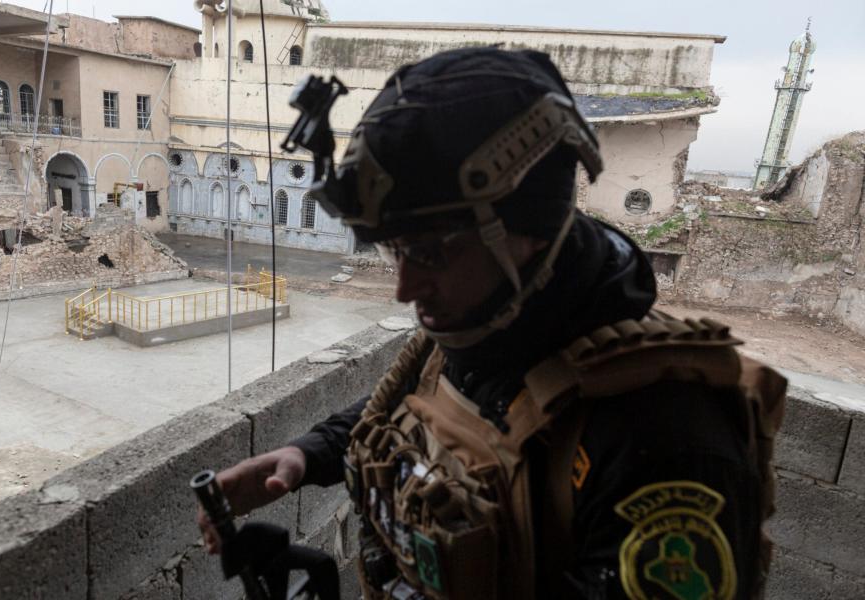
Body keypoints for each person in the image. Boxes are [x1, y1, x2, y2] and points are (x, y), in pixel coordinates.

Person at [199, 48, 786, 599]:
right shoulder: (490, 326)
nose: (404, 288)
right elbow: (427, 407)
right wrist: (306, 455)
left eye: (431, 252)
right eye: (394, 251)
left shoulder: (666, 438)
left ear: (528, 235)